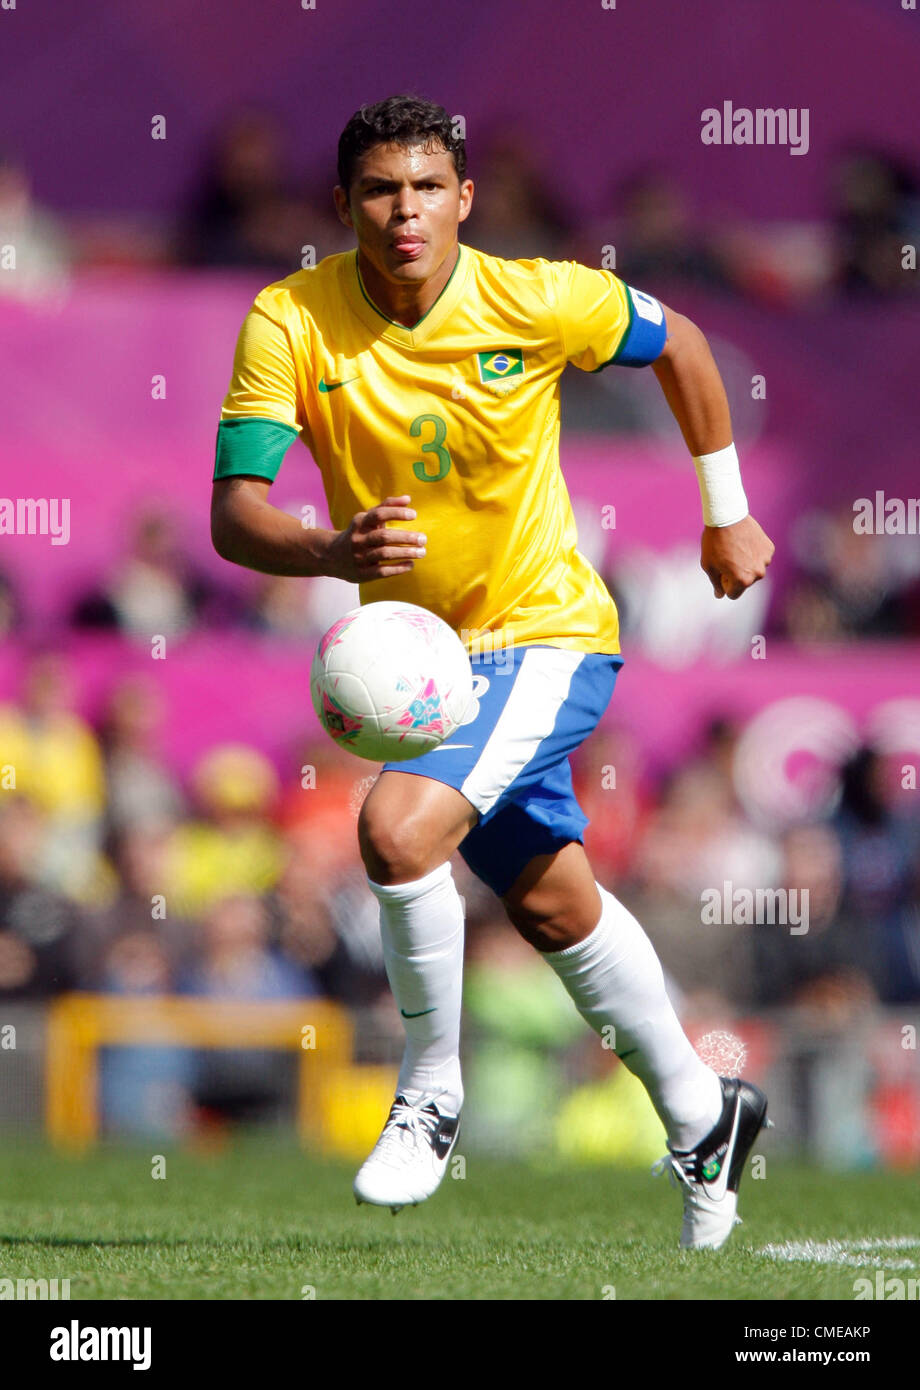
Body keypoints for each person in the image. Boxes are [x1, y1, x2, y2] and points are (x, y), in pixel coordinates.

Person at [209, 94, 775, 1250]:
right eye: (378, 190)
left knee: (395, 832)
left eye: (426, 188)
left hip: (545, 631)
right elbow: (233, 514)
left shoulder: (540, 295)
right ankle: (703, 1114)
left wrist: (726, 515)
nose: (403, 211)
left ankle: (429, 1091)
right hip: (426, 663)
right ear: (342, 206)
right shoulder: (289, 320)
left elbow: (688, 348)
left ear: (465, 199)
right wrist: (327, 547)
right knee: (548, 899)